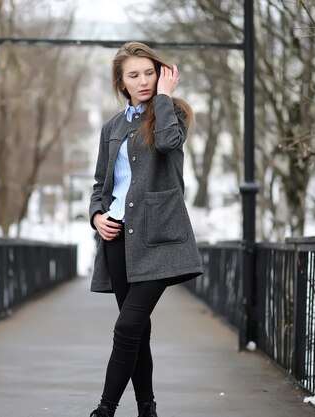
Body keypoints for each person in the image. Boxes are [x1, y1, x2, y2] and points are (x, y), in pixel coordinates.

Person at [88, 41, 204, 417]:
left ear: (161, 74)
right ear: (121, 83)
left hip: (159, 237)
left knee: (127, 327)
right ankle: (146, 408)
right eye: (133, 75)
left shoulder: (175, 114)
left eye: (149, 73)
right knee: (137, 330)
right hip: (118, 237)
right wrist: (96, 216)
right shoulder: (111, 127)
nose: (143, 81)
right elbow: (99, 185)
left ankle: (105, 410)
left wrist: (166, 98)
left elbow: (170, 143)